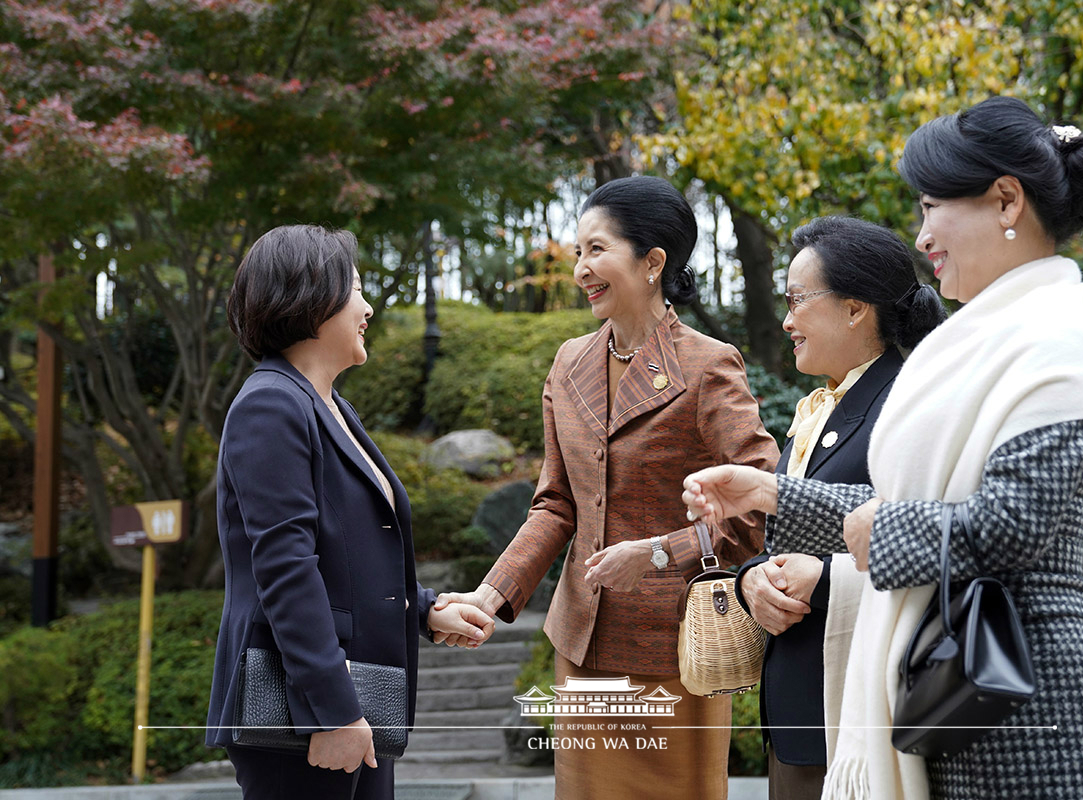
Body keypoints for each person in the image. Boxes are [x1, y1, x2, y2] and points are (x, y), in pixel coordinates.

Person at [683, 96, 1083, 799]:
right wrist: (773, 493)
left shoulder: (1057, 341)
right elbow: (925, 507)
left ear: (1007, 201)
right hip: (956, 695)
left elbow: (1014, 526)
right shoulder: (988, 338)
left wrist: (880, 527)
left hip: (1023, 716)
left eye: (931, 207)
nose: (922, 237)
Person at [435, 176, 780, 799]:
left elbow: (761, 503)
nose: (581, 270)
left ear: (653, 263)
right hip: (585, 641)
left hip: (675, 648)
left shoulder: (708, 364)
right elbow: (556, 503)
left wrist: (656, 553)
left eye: (597, 250)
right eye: (577, 254)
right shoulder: (568, 363)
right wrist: (492, 594)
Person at [206, 225, 494, 800]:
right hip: (308, 711)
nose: (367, 308)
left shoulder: (332, 406)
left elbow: (352, 556)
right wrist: (331, 712)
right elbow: (286, 571)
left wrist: (424, 609)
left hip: (358, 697)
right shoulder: (271, 403)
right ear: (309, 297)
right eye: (355, 290)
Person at [733, 216, 945, 800]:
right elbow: (782, 544)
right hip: (801, 711)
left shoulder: (906, 406)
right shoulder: (818, 410)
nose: (787, 319)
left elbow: (927, 542)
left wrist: (822, 580)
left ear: (856, 309)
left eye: (799, 300)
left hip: (862, 714)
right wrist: (753, 581)